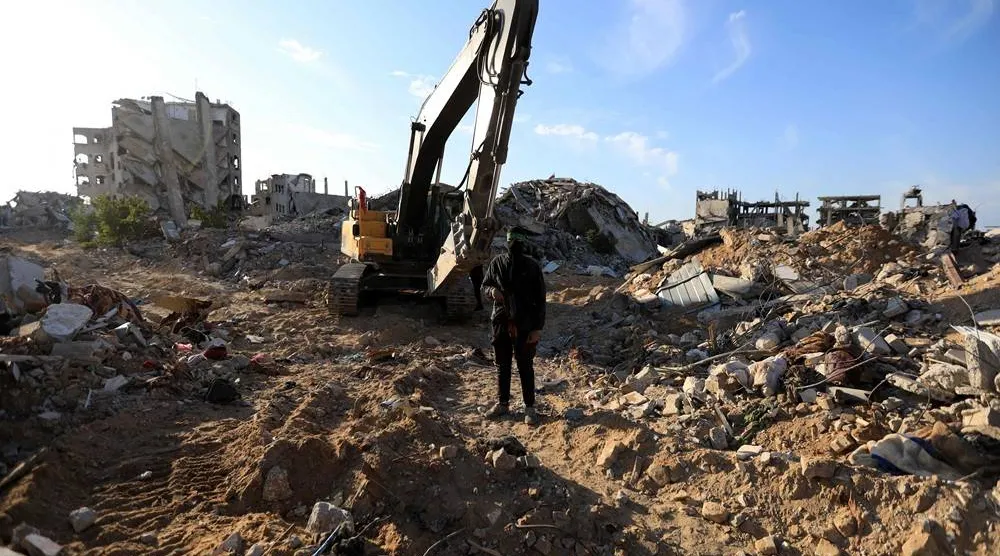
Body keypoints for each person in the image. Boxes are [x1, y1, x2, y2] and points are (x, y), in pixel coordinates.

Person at [481, 226, 546, 425]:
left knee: (525, 365)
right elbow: (485, 285)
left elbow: (541, 299)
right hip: (501, 321)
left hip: (525, 324)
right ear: (507, 242)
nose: (514, 245)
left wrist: (537, 329)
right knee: (503, 364)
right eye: (511, 241)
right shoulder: (497, 263)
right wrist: (492, 292)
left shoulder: (532, 267)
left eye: (517, 242)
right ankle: (503, 404)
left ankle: (529, 407)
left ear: (523, 243)